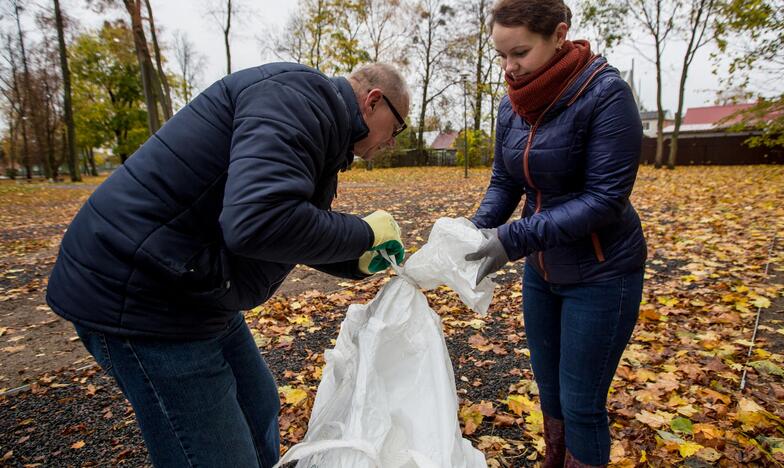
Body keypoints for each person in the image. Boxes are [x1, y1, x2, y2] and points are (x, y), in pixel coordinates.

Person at [46, 62, 410, 467]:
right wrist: (363, 233)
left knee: (258, 406)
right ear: (373, 102)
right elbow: (258, 222)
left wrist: (358, 262)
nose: (392, 143)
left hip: (195, 283)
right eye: (397, 130)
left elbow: (286, 229)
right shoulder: (299, 101)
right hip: (140, 292)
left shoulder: (319, 122)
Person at [465, 1, 647, 466]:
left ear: (560, 34)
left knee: (582, 405)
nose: (510, 67)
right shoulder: (514, 104)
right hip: (542, 272)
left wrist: (513, 239)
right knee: (550, 393)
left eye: (520, 52)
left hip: (602, 273)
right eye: (502, 56)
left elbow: (606, 198)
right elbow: (505, 181)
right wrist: (469, 231)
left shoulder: (605, 95)